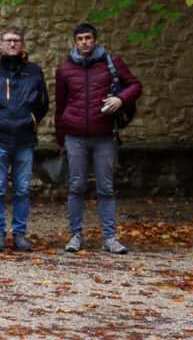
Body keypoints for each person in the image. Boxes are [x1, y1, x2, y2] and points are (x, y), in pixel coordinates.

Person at [54, 22, 142, 255]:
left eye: (88, 38)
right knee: (76, 187)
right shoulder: (65, 69)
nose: (84, 42)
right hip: (75, 137)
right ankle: (75, 236)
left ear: (95, 40)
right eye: (80, 39)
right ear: (75, 42)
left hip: (105, 137)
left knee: (106, 188)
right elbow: (60, 105)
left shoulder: (112, 63)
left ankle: (110, 238)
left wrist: (121, 99)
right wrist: (61, 141)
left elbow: (136, 86)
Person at [0, 27, 49, 252]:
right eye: (8, 41)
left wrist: (31, 120)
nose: (12, 45)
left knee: (22, 189)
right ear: (0, 44)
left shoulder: (34, 72)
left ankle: (19, 233)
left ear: (23, 44)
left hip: (25, 139)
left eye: (16, 41)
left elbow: (43, 104)